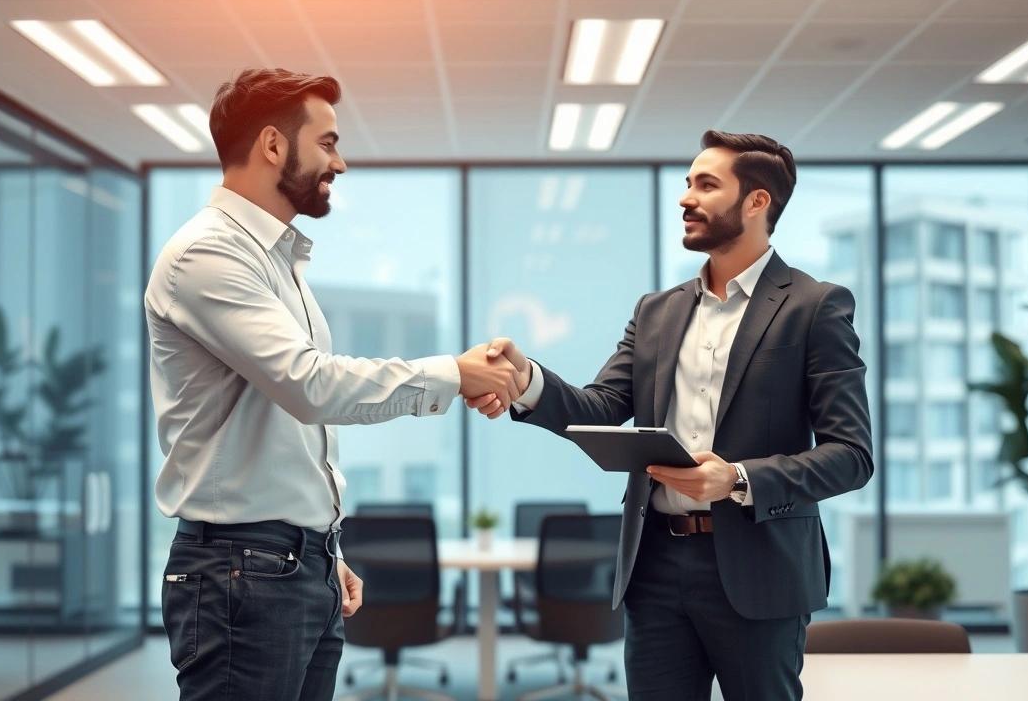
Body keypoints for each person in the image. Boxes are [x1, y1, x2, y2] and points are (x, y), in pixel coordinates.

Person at [144, 68, 522, 701]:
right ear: (272, 145)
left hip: (289, 566)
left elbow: (290, 429)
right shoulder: (207, 254)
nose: (339, 163)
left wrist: (324, 548)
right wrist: (452, 374)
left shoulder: (277, 261)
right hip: (244, 570)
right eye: (327, 143)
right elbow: (310, 386)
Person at [467, 131, 874, 700]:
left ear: (757, 202)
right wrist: (526, 380)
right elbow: (602, 407)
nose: (686, 198)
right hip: (654, 564)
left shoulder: (815, 307)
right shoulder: (656, 311)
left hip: (759, 567)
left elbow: (851, 455)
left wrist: (736, 479)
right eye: (687, 183)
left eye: (707, 185)